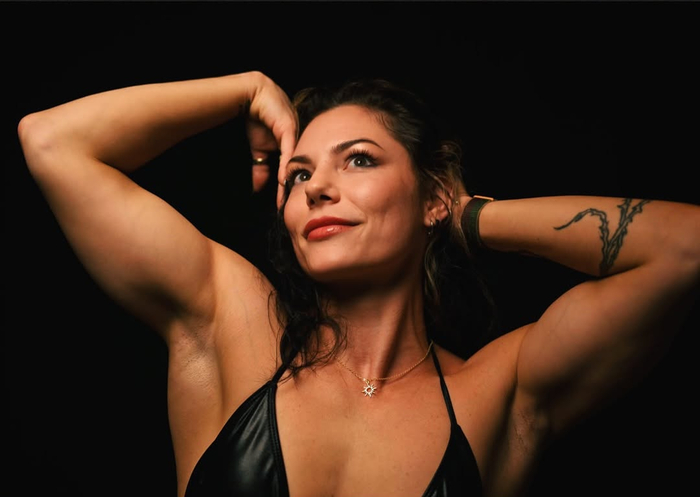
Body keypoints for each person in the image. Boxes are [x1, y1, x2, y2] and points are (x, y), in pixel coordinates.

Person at [17, 70, 699, 497]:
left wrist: (467, 215)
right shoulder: (232, 320)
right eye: (300, 173)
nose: (318, 188)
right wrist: (245, 91)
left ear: (430, 196)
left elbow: (684, 246)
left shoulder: (496, 392)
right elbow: (52, 142)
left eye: (359, 160)